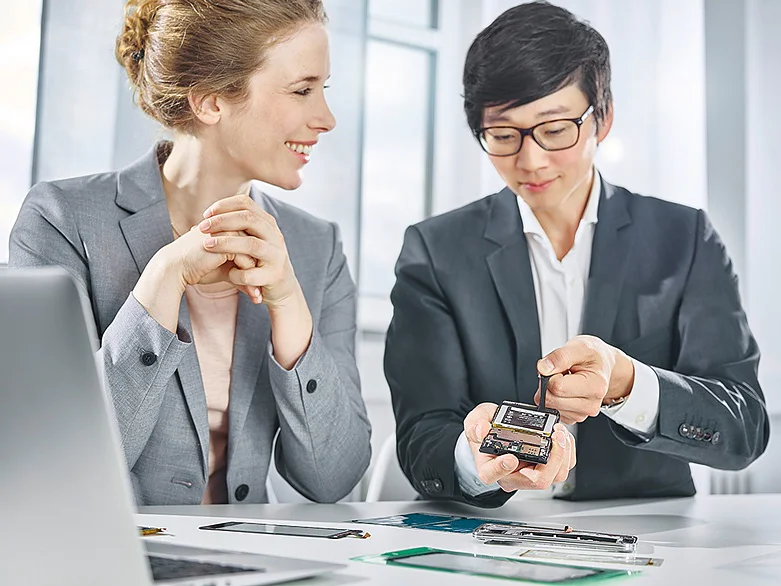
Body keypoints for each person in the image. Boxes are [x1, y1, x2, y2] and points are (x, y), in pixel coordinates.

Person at [384, 0, 769, 507]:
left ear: (602, 119)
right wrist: (474, 461)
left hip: (643, 532)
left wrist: (627, 383)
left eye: (554, 129)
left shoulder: (683, 238)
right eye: (503, 135)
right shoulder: (437, 251)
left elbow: (743, 425)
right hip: (489, 530)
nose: (531, 160)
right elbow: (421, 434)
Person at [9, 0, 371, 506]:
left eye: (324, 89)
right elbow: (51, 461)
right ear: (210, 102)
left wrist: (289, 303)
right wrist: (164, 278)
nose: (327, 118)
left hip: (248, 550)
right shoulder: (61, 218)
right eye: (302, 90)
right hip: (109, 548)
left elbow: (334, 479)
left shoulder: (316, 247)